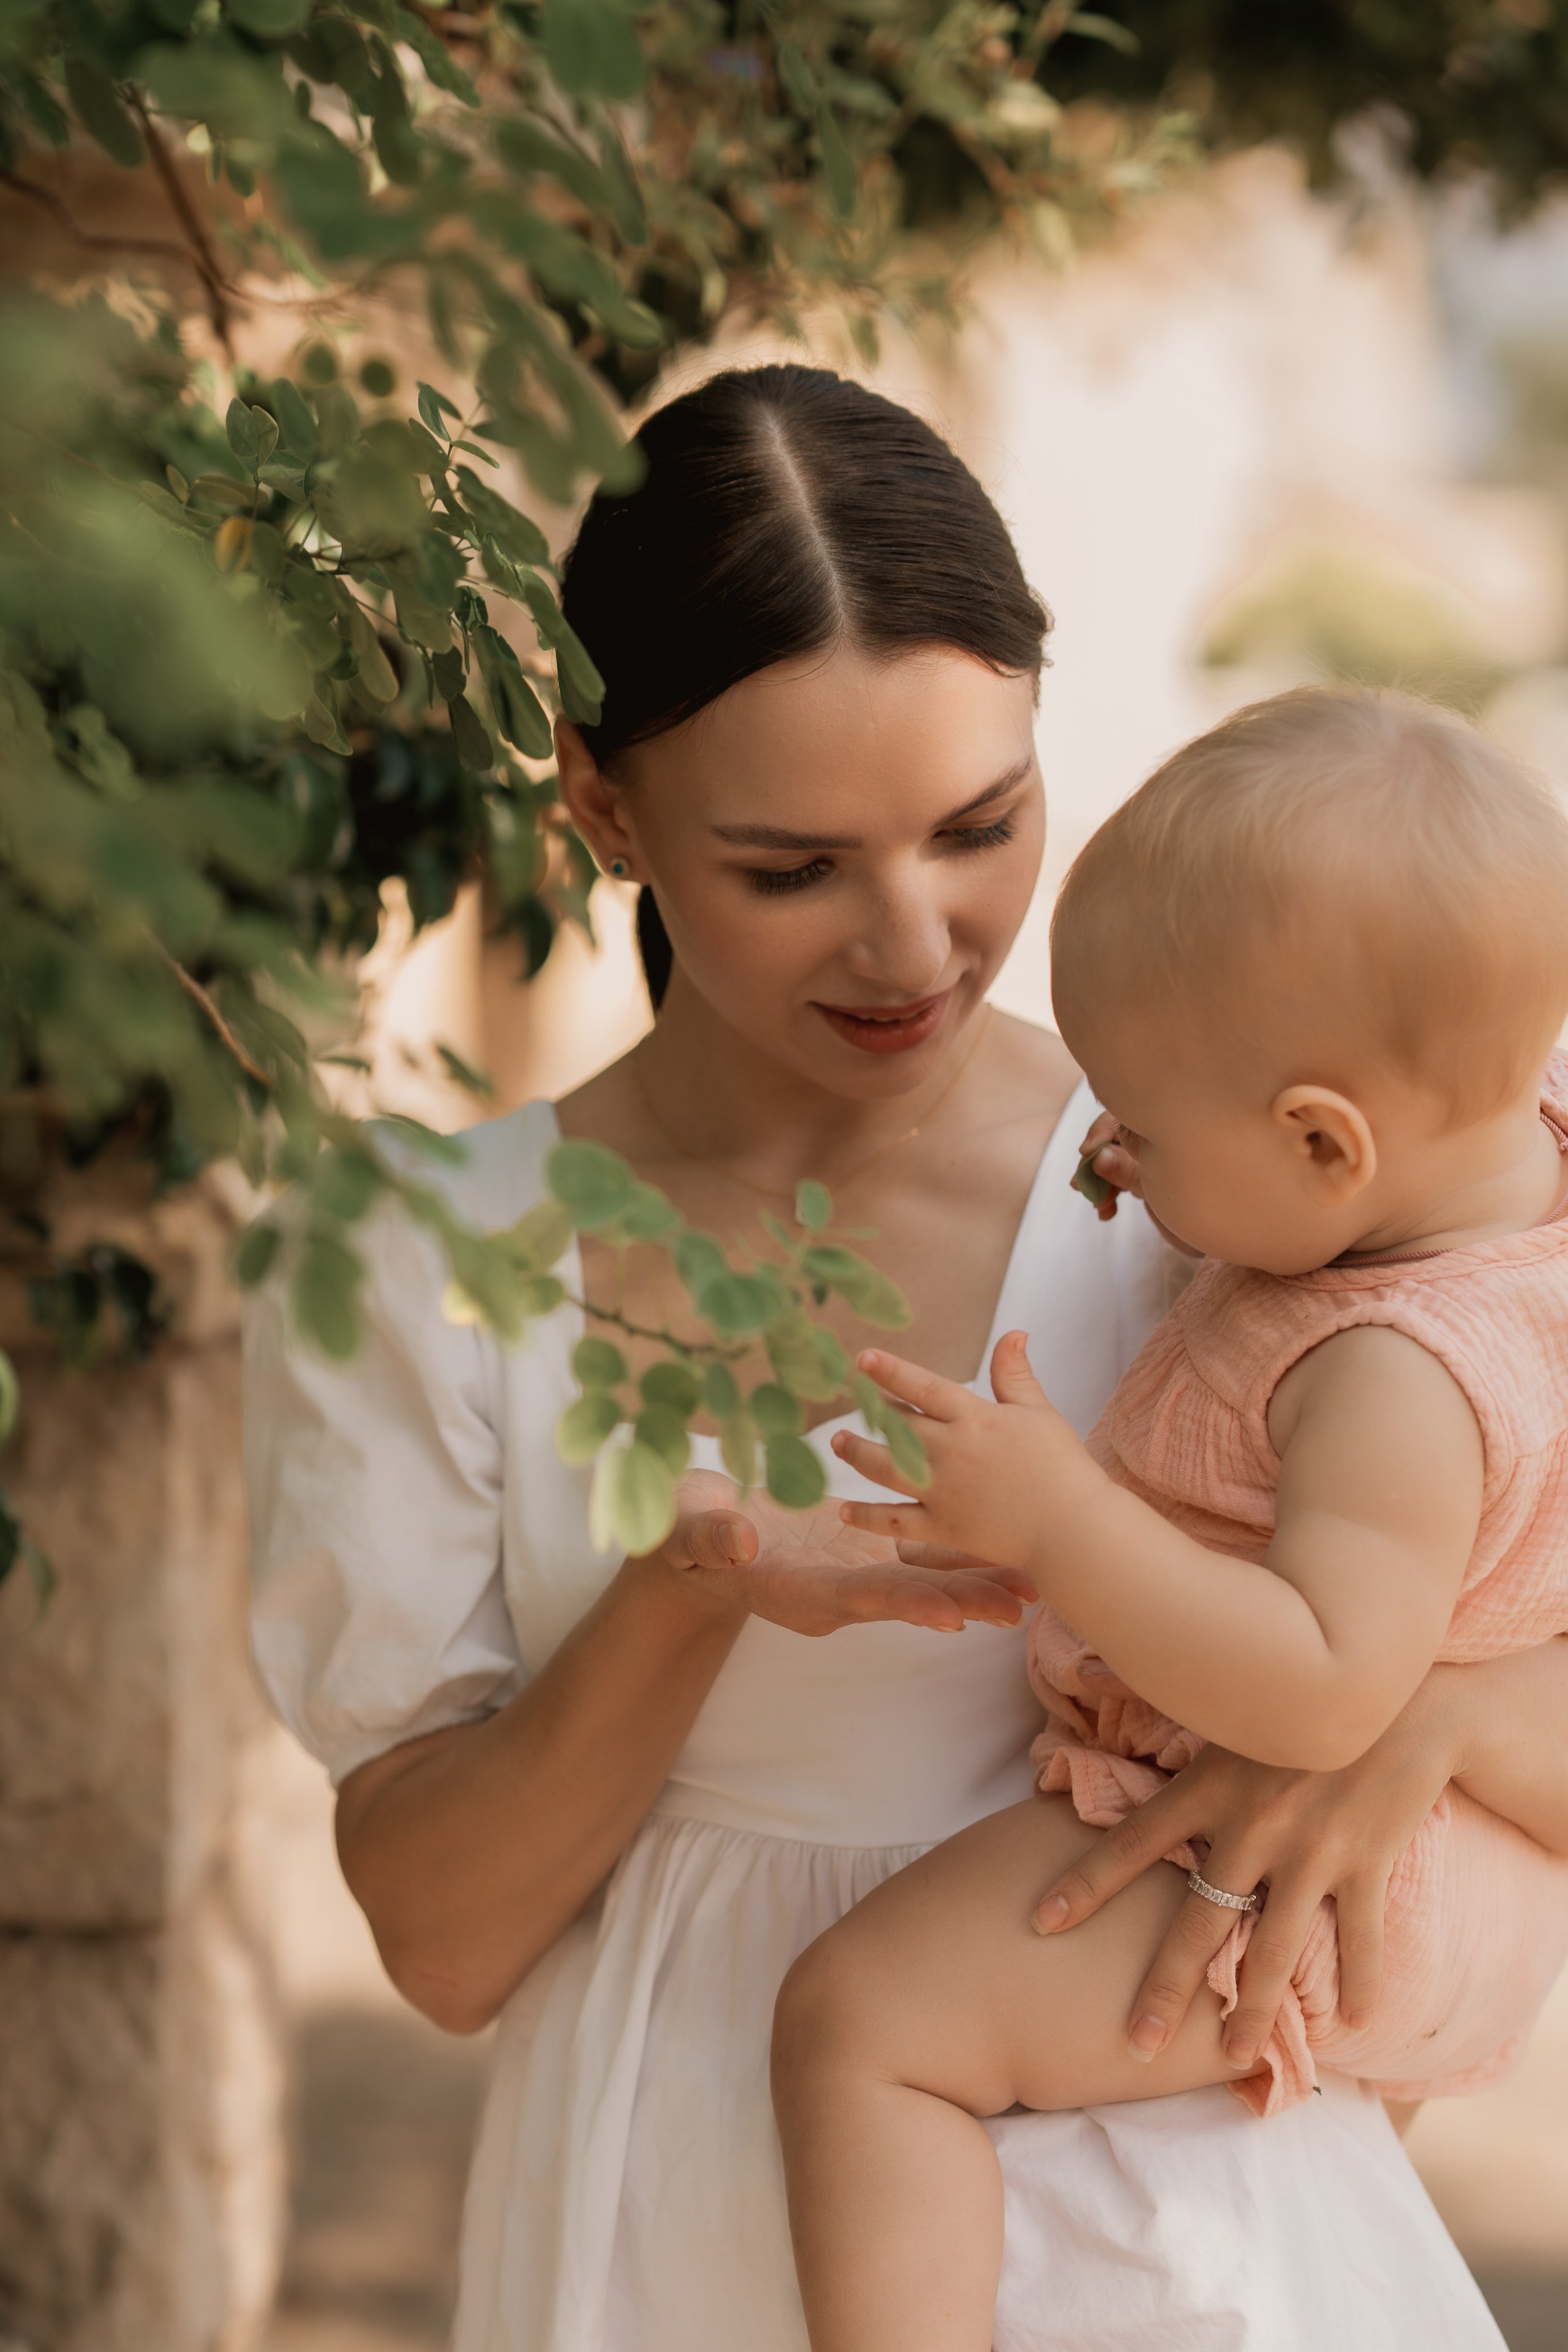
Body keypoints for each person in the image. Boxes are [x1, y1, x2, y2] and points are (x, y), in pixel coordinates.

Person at [244, 368, 1567, 2352]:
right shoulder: (431, 1257)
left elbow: (1460, 1566)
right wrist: (699, 1586)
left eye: (980, 826)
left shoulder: (1246, 1200)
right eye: (794, 868)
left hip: (1201, 2251)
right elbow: (443, 1948)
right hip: (667, 2219)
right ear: (598, 801)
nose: (918, 944)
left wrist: (1433, 1722)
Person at [772, 685, 1568, 2352]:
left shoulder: (1391, 1371)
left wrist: (1065, 1523)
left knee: (861, 2022)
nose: (1110, 1156)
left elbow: (1328, 1685)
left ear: (1321, 1141)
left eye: (1137, 1118)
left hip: (1322, 1871)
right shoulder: (1490, 1203)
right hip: (1433, 1888)